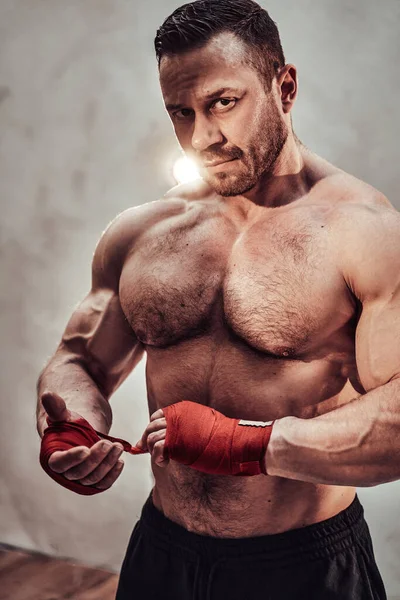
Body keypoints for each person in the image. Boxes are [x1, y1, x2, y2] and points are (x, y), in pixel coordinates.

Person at [35, 0, 399, 597]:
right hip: (163, 552)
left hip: (303, 567)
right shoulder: (142, 231)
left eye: (222, 103)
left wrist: (246, 445)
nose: (202, 137)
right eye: (180, 112)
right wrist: (69, 429)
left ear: (284, 87)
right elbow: (80, 360)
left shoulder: (366, 233)